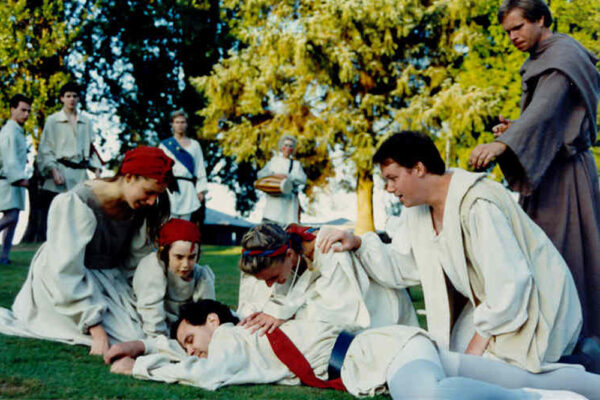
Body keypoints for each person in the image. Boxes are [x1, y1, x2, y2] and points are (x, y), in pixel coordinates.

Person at [319, 131, 583, 373]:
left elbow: (511, 281)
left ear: (419, 168)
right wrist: (359, 243)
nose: (389, 188)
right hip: (494, 306)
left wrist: (477, 346)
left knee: (477, 375)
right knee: (445, 363)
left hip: (537, 305)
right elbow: (405, 267)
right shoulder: (420, 211)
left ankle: (579, 363)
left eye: (393, 178)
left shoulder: (478, 203)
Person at [104, 299, 598, 400]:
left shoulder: (236, 337)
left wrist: (141, 369)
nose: (192, 352)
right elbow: (192, 359)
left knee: (430, 398)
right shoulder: (259, 326)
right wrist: (152, 346)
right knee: (519, 374)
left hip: (383, 356)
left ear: (214, 321)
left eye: (192, 339)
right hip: (394, 345)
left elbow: (203, 375)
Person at [468, 0, 600, 338]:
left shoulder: (562, 58)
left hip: (566, 178)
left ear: (541, 19)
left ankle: (574, 341)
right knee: (540, 254)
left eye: (518, 27)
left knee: (564, 254)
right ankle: (547, 336)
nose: (512, 36)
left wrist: (503, 144)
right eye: (507, 31)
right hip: (549, 174)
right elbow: (548, 117)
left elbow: (544, 111)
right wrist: (513, 129)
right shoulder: (545, 59)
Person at [0, 146, 174, 355]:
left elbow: (135, 265)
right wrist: (97, 330)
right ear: (129, 177)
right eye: (149, 192)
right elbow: (64, 271)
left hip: (108, 279)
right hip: (63, 280)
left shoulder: (138, 209)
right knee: (126, 336)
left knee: (141, 331)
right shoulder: (78, 201)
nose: (152, 201)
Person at [237, 223, 418, 335]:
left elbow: (337, 312)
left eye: (273, 278)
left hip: (382, 313)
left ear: (289, 255)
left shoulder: (329, 250)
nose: (270, 284)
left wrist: (284, 313)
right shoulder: (279, 249)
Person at [37, 82, 99, 240]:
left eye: (75, 96)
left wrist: (96, 169)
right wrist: (53, 170)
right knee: (59, 215)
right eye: (68, 96)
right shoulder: (53, 120)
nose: (71, 99)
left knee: (81, 213)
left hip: (80, 173)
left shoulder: (86, 122)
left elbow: (91, 149)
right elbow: (45, 149)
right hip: (61, 172)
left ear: (78, 99)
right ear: (61, 98)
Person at [133, 218, 215, 337]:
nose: (186, 265)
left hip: (183, 326)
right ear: (165, 253)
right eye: (179, 257)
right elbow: (150, 310)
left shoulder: (201, 275)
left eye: (192, 257)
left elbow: (207, 312)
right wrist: (160, 340)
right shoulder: (154, 268)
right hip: (148, 322)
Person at [159, 110, 208, 222]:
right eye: (177, 122)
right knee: (168, 223)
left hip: (188, 188)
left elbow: (200, 168)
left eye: (182, 122)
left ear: (187, 124)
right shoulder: (165, 145)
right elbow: (160, 169)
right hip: (170, 188)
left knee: (185, 225)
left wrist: (200, 190)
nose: (180, 125)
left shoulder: (194, 145)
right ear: (172, 124)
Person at [0, 94, 31, 265]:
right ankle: (3, 256)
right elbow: (9, 157)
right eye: (22, 110)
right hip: (8, 180)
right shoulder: (10, 130)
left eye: (28, 111)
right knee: (10, 217)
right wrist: (20, 179)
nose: (26, 114)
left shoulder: (18, 131)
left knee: (14, 220)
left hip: (15, 179)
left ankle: (4, 257)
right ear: (13, 109)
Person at [257, 135, 306, 225]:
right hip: (273, 200)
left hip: (289, 202)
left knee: (288, 228)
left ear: (293, 149)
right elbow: (260, 175)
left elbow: (303, 179)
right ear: (281, 147)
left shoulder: (296, 164)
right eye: (285, 145)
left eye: (290, 146)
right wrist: (273, 176)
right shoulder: (274, 161)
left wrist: (289, 177)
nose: (287, 148)